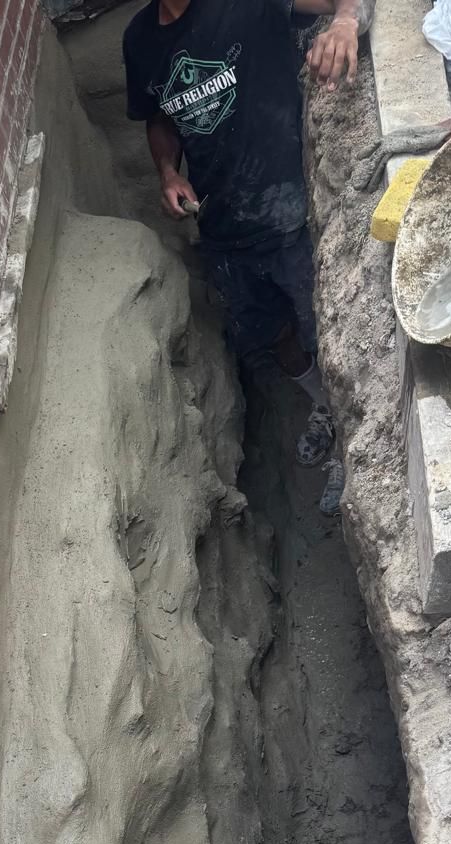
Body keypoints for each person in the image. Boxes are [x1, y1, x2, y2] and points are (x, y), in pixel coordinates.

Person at [122, 0, 368, 507]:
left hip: (293, 217)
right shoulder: (140, 39)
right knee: (271, 332)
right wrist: (168, 172)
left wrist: (345, 22)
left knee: (328, 331)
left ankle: (356, 445)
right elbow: (158, 117)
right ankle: (323, 402)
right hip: (223, 230)